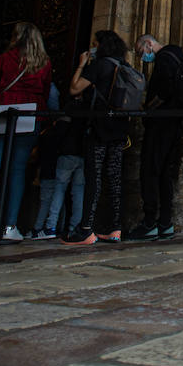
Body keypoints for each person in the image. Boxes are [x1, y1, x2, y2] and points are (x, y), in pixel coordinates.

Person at [0, 22, 52, 242]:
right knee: (17, 170)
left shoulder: (4, 59)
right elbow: (45, 92)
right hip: (29, 114)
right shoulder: (44, 63)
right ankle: (9, 225)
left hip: (3, 111)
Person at [64, 30, 133, 244]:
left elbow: (75, 89)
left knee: (93, 177)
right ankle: (115, 228)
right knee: (114, 178)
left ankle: (85, 228)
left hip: (100, 127)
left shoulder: (100, 65)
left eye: (95, 43)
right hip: (119, 129)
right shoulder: (126, 67)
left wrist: (81, 64)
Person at [130, 33, 183, 240]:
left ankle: (150, 222)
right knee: (165, 173)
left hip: (161, 123)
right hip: (174, 124)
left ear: (149, 44)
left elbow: (166, 90)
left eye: (142, 52)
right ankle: (165, 222)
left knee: (150, 170)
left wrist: (149, 107)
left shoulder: (164, 58)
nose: (143, 57)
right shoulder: (177, 57)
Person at [32, 110, 85, 239]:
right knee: (78, 191)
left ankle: (50, 226)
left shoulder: (67, 112)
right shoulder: (88, 108)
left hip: (66, 153)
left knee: (59, 189)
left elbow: (58, 136)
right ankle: (75, 227)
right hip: (82, 153)